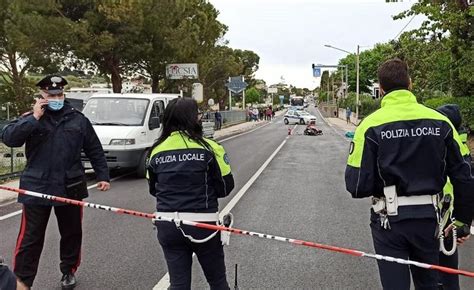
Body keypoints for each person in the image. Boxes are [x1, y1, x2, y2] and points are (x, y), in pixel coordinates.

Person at [344, 59, 474, 290]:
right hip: (433, 220)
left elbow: (356, 186)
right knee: (434, 285)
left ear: (381, 89)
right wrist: (462, 221)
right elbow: (464, 176)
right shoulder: (441, 122)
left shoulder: (369, 126)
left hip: (389, 221)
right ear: (410, 84)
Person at [1, 75, 110, 289]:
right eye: (51, 95)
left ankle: (68, 271)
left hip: (70, 185)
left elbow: (94, 149)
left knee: (71, 232)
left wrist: (103, 175)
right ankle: (22, 281)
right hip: (36, 186)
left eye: (59, 94)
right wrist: (34, 117)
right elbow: (10, 139)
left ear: (64, 94)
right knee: (30, 238)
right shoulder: (30, 118)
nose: (56, 98)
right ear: (42, 95)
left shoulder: (78, 119)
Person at [147, 98, 235, 290]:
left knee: (178, 284)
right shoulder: (210, 148)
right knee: (218, 282)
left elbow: (153, 189)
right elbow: (225, 188)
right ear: (193, 119)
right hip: (204, 225)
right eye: (198, 115)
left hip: (168, 224)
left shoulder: (155, 151)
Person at [436, 104, 472, 290]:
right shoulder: (462, 148)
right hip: (450, 217)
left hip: (441, 216)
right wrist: (463, 224)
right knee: (449, 273)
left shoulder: (445, 146)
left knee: (435, 273)